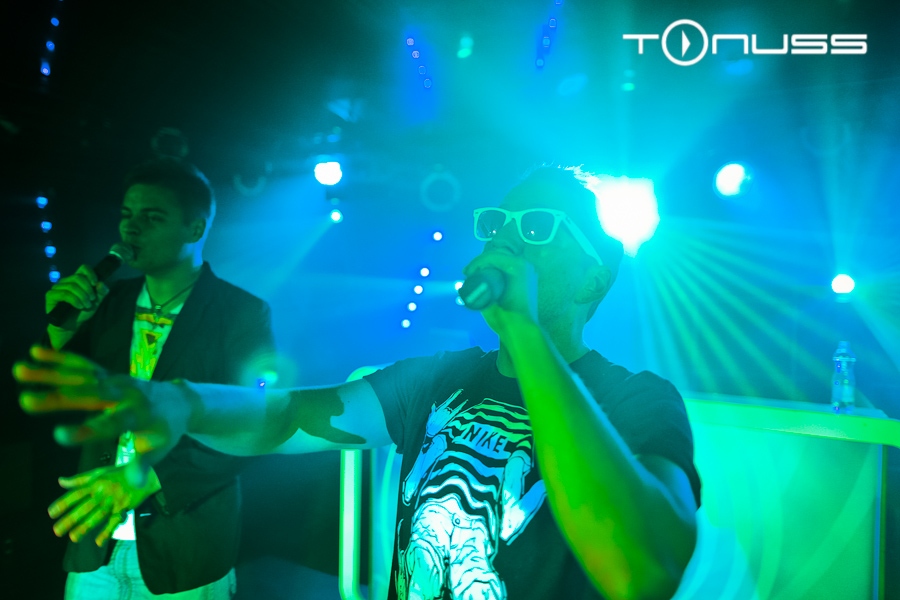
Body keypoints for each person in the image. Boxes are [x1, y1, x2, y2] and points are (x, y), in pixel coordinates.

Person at [17, 165, 700, 600]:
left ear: (592, 278)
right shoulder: (440, 377)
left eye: (539, 227)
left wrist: (524, 330)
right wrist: (183, 400)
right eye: (498, 223)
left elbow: (642, 572)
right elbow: (285, 417)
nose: (507, 238)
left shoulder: (638, 400)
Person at [37, 158, 275, 599]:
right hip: (96, 542)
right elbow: (58, 406)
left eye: (152, 217)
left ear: (194, 228)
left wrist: (146, 478)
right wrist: (61, 335)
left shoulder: (241, 313)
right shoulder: (107, 303)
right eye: (127, 215)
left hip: (186, 546)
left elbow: (253, 426)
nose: (131, 228)